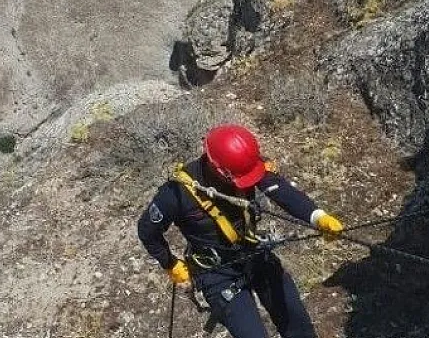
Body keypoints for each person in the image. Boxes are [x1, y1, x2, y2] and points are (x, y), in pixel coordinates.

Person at [137, 123, 344, 338]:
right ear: (217, 168)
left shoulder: (246, 165)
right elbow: (147, 231)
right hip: (218, 272)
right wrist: (171, 264)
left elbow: (280, 190)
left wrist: (318, 217)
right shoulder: (176, 194)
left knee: (298, 323)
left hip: (254, 252)